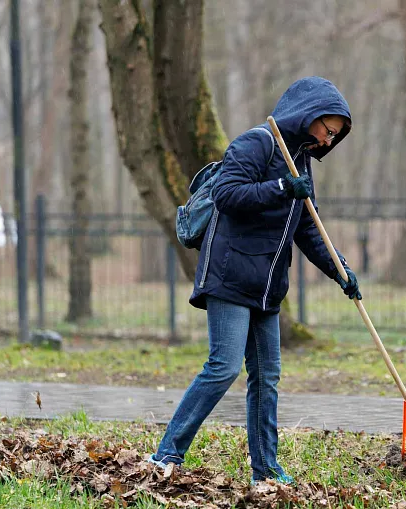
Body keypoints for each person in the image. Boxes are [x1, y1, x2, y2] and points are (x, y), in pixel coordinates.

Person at [147, 76, 361, 485]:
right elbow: (227, 194)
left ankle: (266, 469)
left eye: (335, 135)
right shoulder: (257, 143)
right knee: (223, 366)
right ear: (309, 114)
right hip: (230, 275)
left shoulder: (301, 161)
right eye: (327, 129)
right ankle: (166, 454)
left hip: (267, 286)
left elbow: (308, 228)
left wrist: (340, 269)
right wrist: (282, 187)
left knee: (266, 377)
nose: (328, 140)